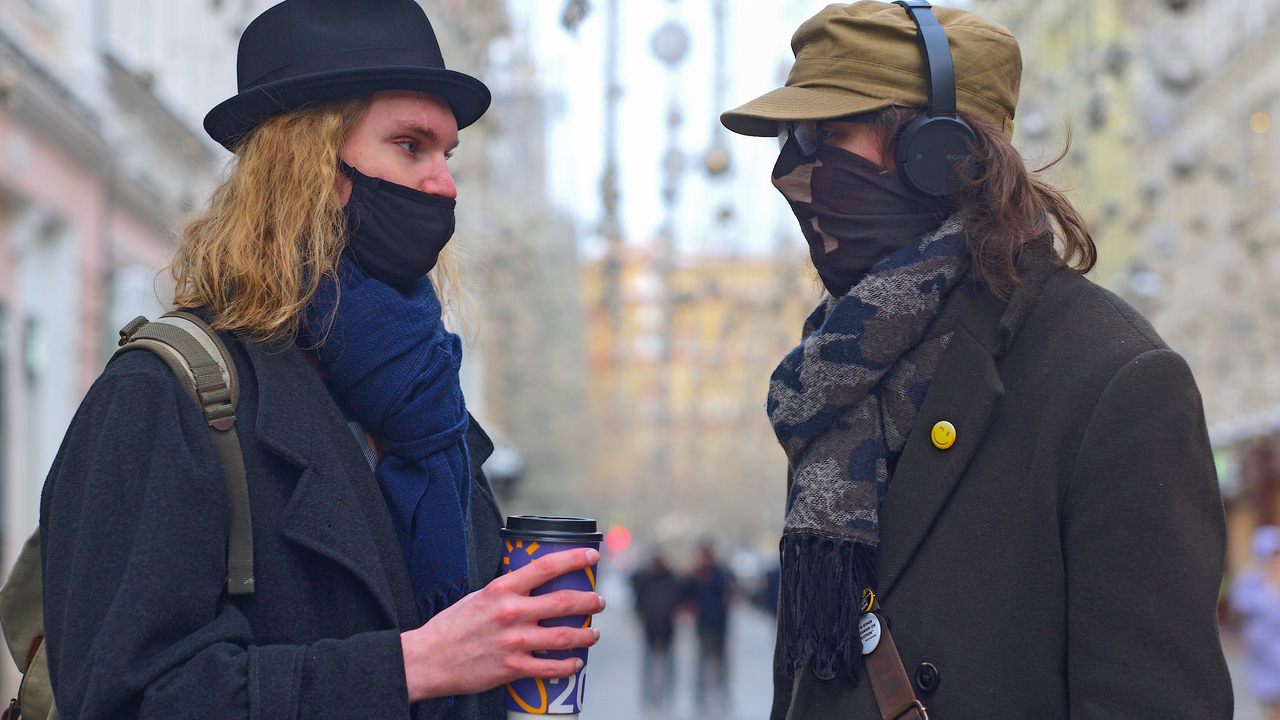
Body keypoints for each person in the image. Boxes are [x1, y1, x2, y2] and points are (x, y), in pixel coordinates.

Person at [38, 1, 603, 719]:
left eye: (447, 153)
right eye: (409, 145)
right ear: (300, 161)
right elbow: (124, 697)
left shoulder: (428, 405)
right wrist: (411, 667)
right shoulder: (165, 396)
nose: (445, 184)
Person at [719, 2, 1232, 718]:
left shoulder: (1116, 380)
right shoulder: (834, 378)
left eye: (824, 134)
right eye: (790, 140)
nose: (791, 171)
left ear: (939, 153)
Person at [1231, 526, 1280, 720]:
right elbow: (1238, 609)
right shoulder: (1250, 579)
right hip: (1263, 651)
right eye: (1272, 552)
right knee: (1270, 701)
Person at [629, 553, 684, 709]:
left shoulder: (670, 580)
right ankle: (648, 695)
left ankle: (666, 695)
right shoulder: (646, 579)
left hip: (666, 627)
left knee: (667, 664)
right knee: (649, 663)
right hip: (651, 626)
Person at [685, 543, 734, 713]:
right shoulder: (697, 574)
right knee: (702, 659)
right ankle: (700, 695)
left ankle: (723, 693)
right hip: (704, 623)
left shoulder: (719, 572)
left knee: (721, 659)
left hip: (720, 622)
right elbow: (688, 593)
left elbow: (728, 589)